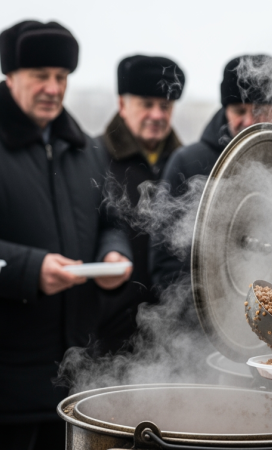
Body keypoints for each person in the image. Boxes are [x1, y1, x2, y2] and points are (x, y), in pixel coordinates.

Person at [0, 21, 132, 450]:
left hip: (76, 375)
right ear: (10, 76)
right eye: (40, 75)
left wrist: (113, 256)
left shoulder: (87, 149)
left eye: (61, 77)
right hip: (1, 378)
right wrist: (30, 269)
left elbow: (112, 222)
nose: (53, 88)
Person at [150, 54, 272, 289]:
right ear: (225, 110)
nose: (250, 121)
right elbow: (165, 261)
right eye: (239, 111)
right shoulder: (189, 163)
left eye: (260, 110)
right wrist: (212, 311)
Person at [93, 55, 186, 354]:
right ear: (122, 104)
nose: (157, 115)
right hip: (107, 332)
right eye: (147, 104)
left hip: (173, 332)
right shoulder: (92, 159)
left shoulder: (186, 165)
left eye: (166, 106)